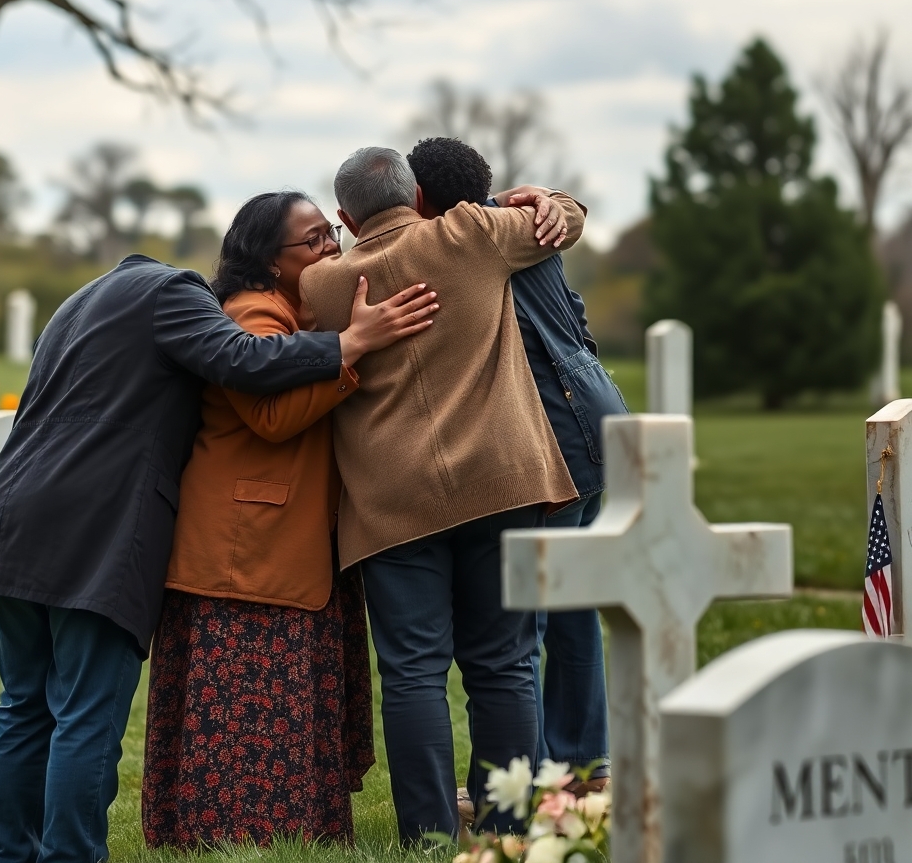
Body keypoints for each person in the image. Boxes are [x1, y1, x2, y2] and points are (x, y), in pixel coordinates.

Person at [0, 250, 437, 863]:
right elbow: (246, 359)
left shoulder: (79, 302)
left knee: (22, 706)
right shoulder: (172, 291)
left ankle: (7, 856)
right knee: (85, 712)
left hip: (14, 511)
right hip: (94, 524)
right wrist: (350, 341)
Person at [300, 146, 584, 843]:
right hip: (501, 483)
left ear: (345, 216)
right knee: (508, 663)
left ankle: (427, 837)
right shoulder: (471, 234)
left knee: (413, 674)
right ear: (418, 193)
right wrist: (548, 201)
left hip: (393, 506)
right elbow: (569, 221)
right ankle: (510, 830)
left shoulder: (324, 288)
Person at [142, 192, 431, 848]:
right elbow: (270, 419)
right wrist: (351, 352)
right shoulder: (251, 314)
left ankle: (300, 839)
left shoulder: (298, 314)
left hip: (288, 550)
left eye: (331, 232)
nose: (332, 247)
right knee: (250, 719)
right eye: (314, 240)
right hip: (244, 559)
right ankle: (237, 842)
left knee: (288, 717)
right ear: (270, 262)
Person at [407, 137, 629, 790]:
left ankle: (543, 769)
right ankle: (582, 757)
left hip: (557, 435)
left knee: (531, 608)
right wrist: (551, 200)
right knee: (570, 595)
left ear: (420, 198)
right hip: (599, 414)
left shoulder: (470, 241)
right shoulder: (521, 223)